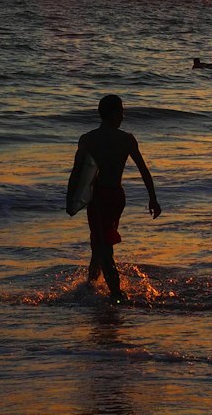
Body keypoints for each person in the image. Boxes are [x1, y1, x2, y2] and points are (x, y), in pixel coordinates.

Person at [71, 94, 161, 303]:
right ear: (112, 114)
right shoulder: (126, 139)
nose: (123, 115)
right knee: (99, 242)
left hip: (99, 198)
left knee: (103, 245)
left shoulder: (88, 139)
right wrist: (153, 198)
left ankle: (116, 295)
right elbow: (144, 170)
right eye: (121, 111)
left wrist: (72, 199)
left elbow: (76, 173)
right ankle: (91, 286)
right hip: (117, 196)